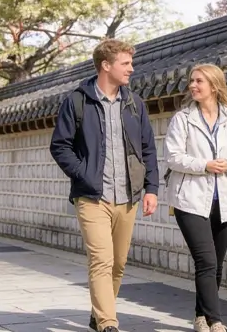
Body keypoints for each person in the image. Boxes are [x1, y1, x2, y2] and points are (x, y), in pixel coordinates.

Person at [50, 38, 159, 332]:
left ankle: (99, 312)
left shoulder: (134, 104)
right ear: (106, 66)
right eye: (126, 64)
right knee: (101, 259)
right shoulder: (77, 101)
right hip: (92, 197)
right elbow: (60, 146)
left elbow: (148, 148)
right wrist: (84, 175)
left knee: (118, 263)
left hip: (128, 197)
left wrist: (151, 188)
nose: (131, 69)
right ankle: (109, 323)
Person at [163, 64, 227, 332]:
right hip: (190, 200)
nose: (192, 85)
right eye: (191, 80)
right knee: (206, 260)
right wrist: (205, 164)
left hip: (225, 201)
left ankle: (200, 315)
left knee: (216, 264)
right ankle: (215, 321)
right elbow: (173, 157)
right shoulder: (182, 119)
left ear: (214, 86)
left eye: (198, 81)